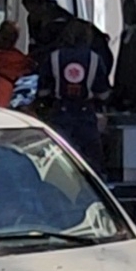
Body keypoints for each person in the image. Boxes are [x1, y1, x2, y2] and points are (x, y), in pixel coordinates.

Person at [36, 18, 111, 175]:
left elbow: (43, 91)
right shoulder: (94, 59)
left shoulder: (54, 57)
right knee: (93, 161)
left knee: (59, 159)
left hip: (60, 114)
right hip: (86, 116)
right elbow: (103, 93)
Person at [22, 0, 115, 72]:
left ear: (43, 5)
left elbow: (55, 46)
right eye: (30, 11)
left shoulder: (61, 23)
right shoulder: (34, 20)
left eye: (34, 11)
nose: (33, 15)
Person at [0, 21, 34, 109]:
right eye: (4, 38)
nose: (7, 42)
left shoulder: (18, 59)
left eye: (11, 40)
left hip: (1, 97)